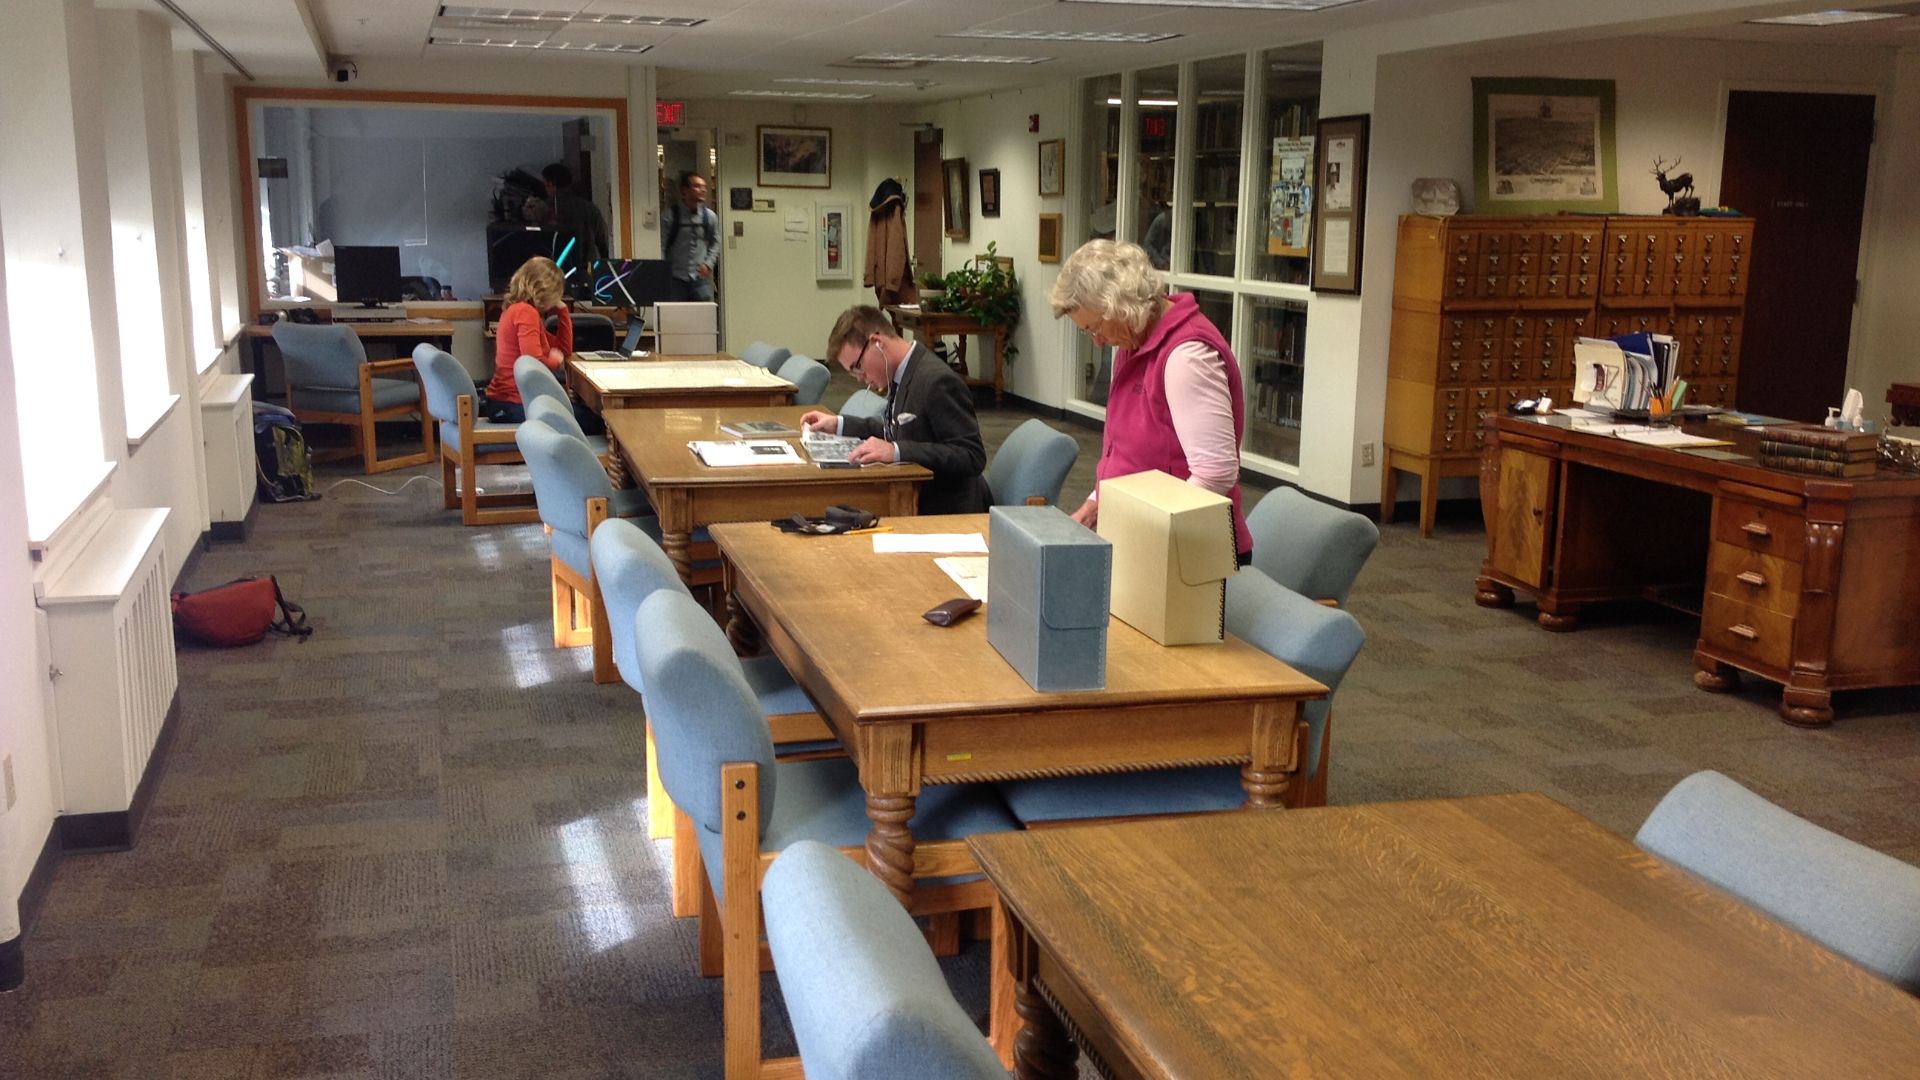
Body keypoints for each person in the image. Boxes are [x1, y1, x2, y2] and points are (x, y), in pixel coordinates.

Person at [1048, 239, 1253, 563]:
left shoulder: (1187, 356)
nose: (1098, 342)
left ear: (1121, 304)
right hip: (1139, 537)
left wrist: (1149, 534)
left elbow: (1216, 473)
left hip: (1187, 553)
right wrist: (1093, 507)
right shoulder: (1134, 342)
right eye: (1088, 332)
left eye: (1096, 327)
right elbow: (1126, 454)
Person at [798, 306, 991, 515]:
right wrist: (839, 424)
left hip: (944, 509)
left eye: (857, 366)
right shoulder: (902, 373)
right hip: (911, 496)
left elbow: (971, 456)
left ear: (877, 343)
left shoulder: (937, 381)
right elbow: (898, 429)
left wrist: (896, 451)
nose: (859, 378)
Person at [482, 256, 573, 423]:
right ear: (544, 288)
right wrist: (553, 362)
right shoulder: (526, 312)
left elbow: (564, 350)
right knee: (593, 420)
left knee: (582, 415)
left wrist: (563, 311)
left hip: (505, 403)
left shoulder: (519, 310)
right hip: (511, 404)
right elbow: (532, 362)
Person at [664, 171, 720, 302]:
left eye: (704, 187)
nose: (702, 190)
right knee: (677, 318)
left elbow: (716, 243)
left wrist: (708, 264)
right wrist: (663, 271)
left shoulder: (710, 217)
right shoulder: (670, 216)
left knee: (705, 317)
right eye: (697, 186)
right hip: (676, 279)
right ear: (685, 190)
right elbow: (662, 244)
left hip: (701, 280)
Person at [541, 163, 611, 268]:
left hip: (553, 268)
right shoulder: (589, 207)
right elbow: (603, 241)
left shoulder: (544, 208)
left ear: (550, 184)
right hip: (586, 266)